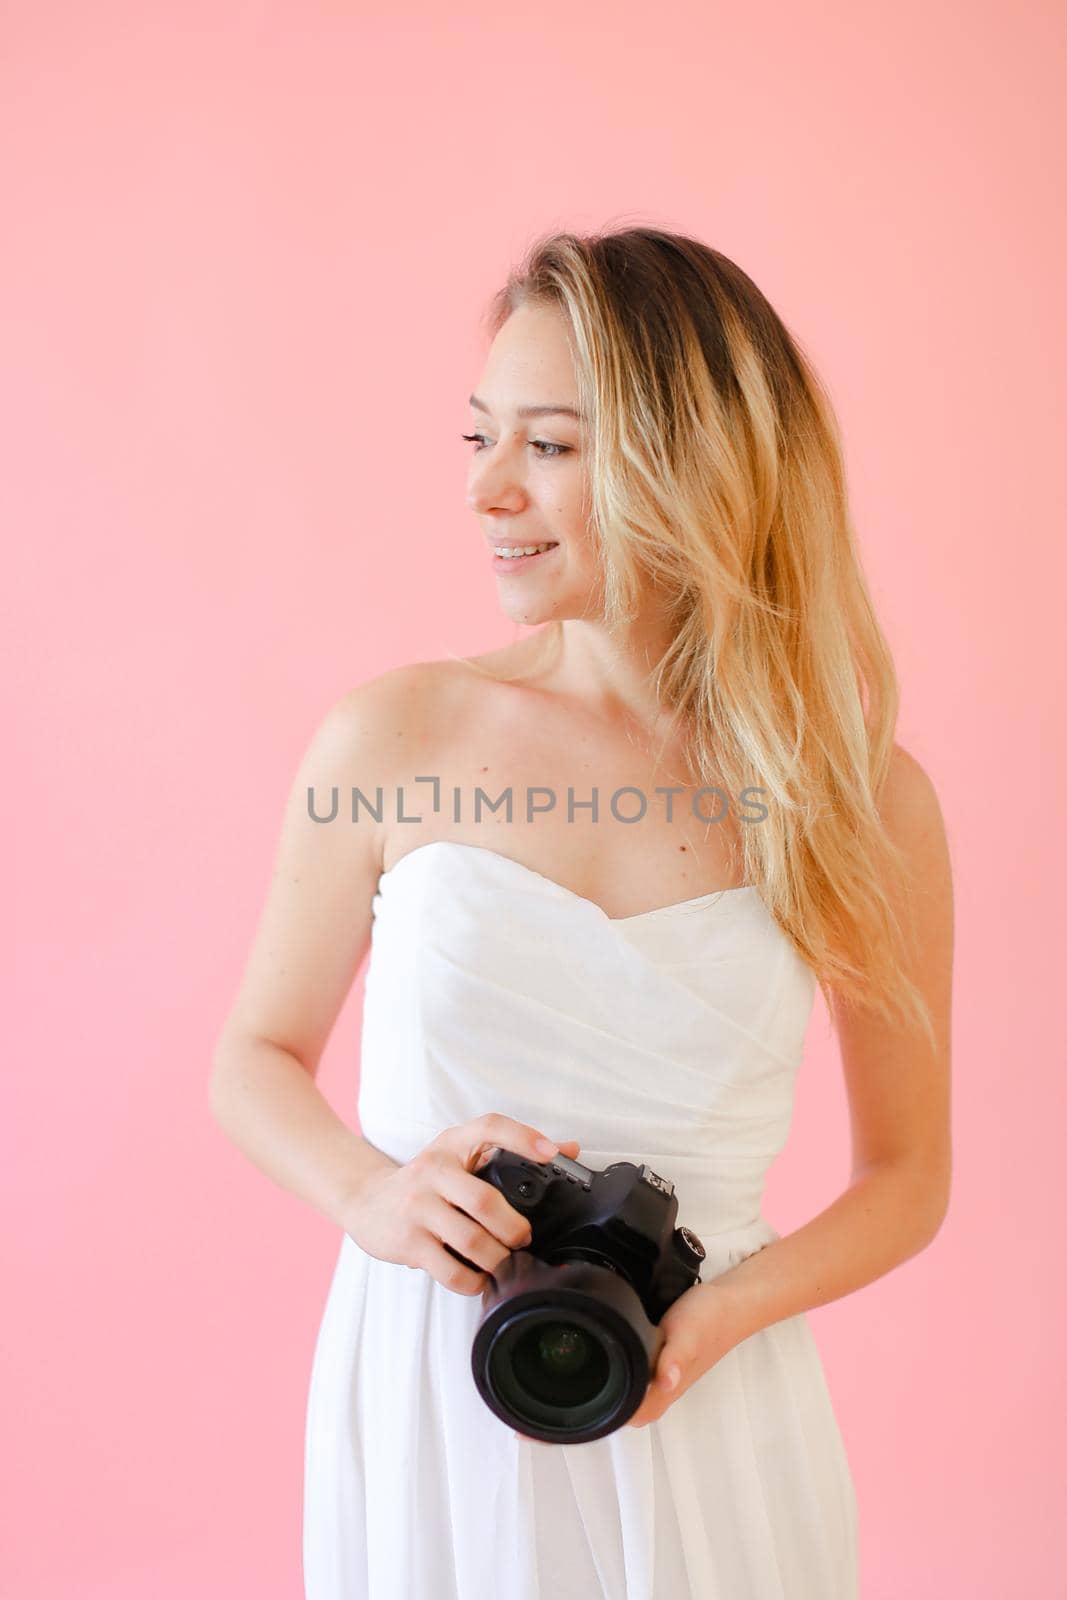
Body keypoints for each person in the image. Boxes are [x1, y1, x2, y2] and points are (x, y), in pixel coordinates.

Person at [209, 226, 954, 1600]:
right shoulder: (395, 734)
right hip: (435, 1387)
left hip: (710, 1394)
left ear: (700, 464)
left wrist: (723, 1317)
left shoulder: (863, 797)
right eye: (480, 437)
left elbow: (909, 1179)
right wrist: (370, 1195)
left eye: (549, 446)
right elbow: (252, 1057)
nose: (489, 491)